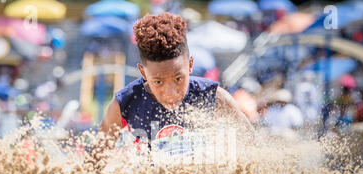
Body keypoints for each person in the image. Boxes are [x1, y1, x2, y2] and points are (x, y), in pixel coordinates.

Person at [96, 13, 253, 154]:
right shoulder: (125, 103)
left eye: (178, 79)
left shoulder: (213, 96)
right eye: (158, 82)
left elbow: (253, 145)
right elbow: (93, 165)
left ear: (190, 65)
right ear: (143, 73)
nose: (170, 92)